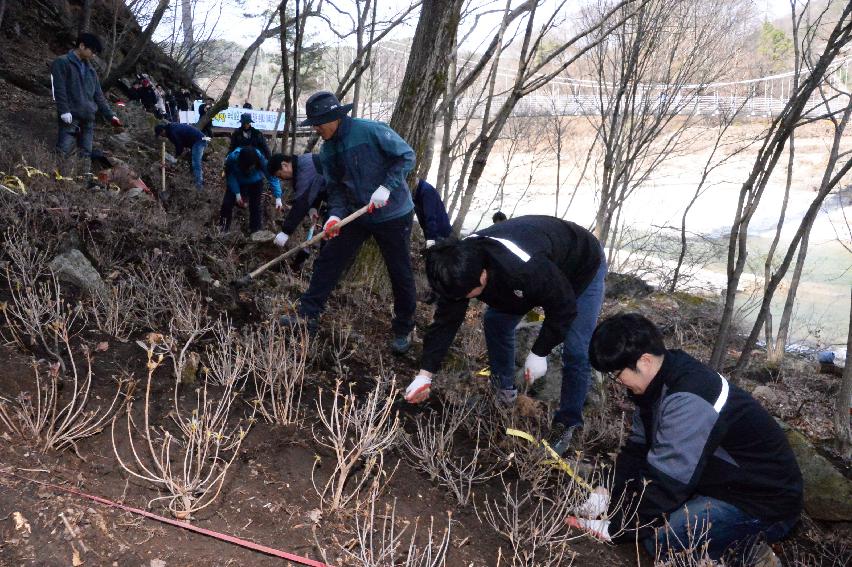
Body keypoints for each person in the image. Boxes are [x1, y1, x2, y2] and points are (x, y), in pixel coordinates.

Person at [571, 313, 801, 564]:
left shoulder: (689, 397)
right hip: (715, 482)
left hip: (761, 502)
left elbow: (667, 481)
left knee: (661, 541)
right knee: (643, 509)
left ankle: (752, 553)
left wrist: (616, 529)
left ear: (645, 361)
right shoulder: (656, 385)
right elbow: (638, 448)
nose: (618, 383)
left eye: (616, 374)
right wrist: (608, 491)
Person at [404, 215, 607, 455]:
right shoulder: (456, 266)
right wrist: (425, 374)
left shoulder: (524, 267)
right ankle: (504, 393)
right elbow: (446, 322)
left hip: (582, 266)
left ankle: (567, 422)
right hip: (529, 272)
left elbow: (563, 308)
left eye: (468, 294)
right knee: (495, 321)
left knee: (576, 349)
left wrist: (539, 352)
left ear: (482, 275)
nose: (463, 300)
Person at [280, 91, 417, 354]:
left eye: (319, 123)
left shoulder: (371, 131)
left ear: (334, 118)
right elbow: (336, 189)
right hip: (357, 213)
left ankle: (404, 327)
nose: (317, 129)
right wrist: (335, 215)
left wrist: (387, 187)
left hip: (393, 213)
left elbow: (406, 156)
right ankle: (308, 314)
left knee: (399, 271)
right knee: (329, 259)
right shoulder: (328, 150)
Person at [50, 33, 122, 165]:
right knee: (63, 150)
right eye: (93, 51)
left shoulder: (91, 70)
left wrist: (111, 115)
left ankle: (83, 180)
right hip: (70, 115)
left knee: (86, 153)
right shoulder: (62, 62)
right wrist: (64, 110)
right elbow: (58, 89)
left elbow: (99, 96)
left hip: (88, 117)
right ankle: (54, 180)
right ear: (82, 46)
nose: (94, 55)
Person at [221, 146, 282, 234]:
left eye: (252, 166)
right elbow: (230, 176)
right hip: (238, 182)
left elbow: (271, 176)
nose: (250, 168)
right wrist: (237, 193)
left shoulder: (260, 158)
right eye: (247, 167)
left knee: (255, 206)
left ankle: (255, 232)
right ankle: (223, 229)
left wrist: (278, 197)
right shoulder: (232, 158)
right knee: (227, 204)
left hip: (255, 182)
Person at [154, 122, 208, 191]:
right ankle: (193, 179)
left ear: (163, 130)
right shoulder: (170, 129)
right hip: (196, 141)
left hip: (200, 140)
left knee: (196, 163)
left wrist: (176, 157)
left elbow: (179, 145)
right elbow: (179, 144)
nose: (161, 136)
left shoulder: (172, 131)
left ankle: (199, 186)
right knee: (191, 160)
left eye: (161, 134)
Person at [413, 178, 452, 247]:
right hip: (431, 230)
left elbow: (430, 216)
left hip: (439, 230)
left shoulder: (427, 191)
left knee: (440, 254)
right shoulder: (416, 191)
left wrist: (431, 238)